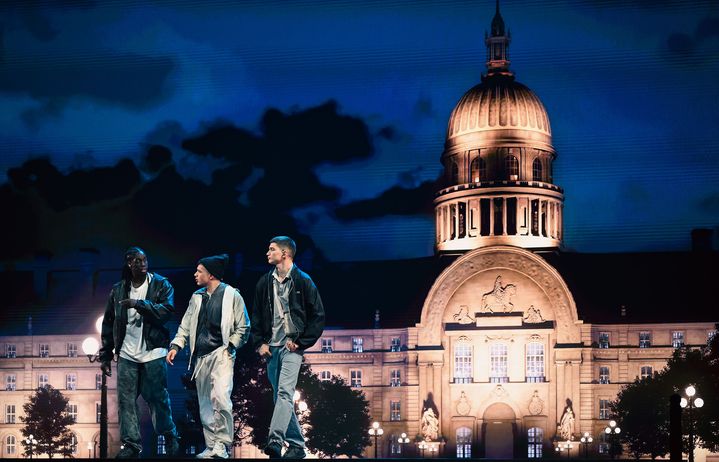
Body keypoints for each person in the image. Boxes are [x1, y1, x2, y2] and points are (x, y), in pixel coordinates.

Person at [99, 246, 180, 458]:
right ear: (129, 264)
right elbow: (108, 323)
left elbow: (166, 312)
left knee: (157, 398)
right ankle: (131, 445)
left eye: (144, 259)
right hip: (126, 354)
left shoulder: (162, 284)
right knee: (126, 401)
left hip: (153, 352)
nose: (142, 263)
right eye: (137, 260)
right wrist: (106, 355)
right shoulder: (117, 290)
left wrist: (138, 304)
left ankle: (169, 434)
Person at [167, 254, 250, 459]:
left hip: (221, 353)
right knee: (204, 403)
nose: (195, 274)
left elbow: (244, 326)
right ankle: (212, 445)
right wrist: (176, 345)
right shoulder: (197, 297)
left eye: (199, 271)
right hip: (201, 357)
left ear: (211, 274)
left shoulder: (232, 295)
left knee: (221, 398)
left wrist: (231, 346)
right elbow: (185, 325)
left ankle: (222, 444)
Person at [251, 236, 325, 459]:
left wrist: (301, 342)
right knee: (279, 397)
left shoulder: (303, 281)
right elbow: (256, 316)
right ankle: (297, 445)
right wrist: (259, 343)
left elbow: (318, 317)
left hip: (292, 348)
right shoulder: (264, 282)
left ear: (285, 254)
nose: (267, 253)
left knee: (284, 393)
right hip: (272, 348)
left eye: (271, 249)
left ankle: (275, 440)